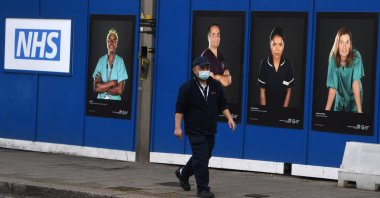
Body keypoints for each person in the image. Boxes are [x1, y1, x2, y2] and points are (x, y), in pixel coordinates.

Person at [174, 56, 236, 198]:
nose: (206, 71)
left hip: (209, 129)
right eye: (203, 68)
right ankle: (203, 189)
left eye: (208, 68)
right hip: (194, 130)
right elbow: (180, 109)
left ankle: (183, 173)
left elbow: (223, 104)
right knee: (201, 157)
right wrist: (177, 127)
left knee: (203, 156)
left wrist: (229, 118)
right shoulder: (187, 88)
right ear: (195, 70)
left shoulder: (215, 85)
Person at [325, 27, 364, 113]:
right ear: (337, 44)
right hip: (341, 99)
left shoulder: (356, 57)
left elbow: (355, 83)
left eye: (347, 42)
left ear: (350, 44)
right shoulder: (333, 59)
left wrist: (360, 112)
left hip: (355, 98)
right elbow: (333, 87)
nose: (344, 46)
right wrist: (326, 113)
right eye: (341, 42)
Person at [257, 27, 294, 108]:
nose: (277, 49)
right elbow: (262, 91)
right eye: (274, 44)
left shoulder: (288, 65)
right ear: (270, 44)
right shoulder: (264, 64)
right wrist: (264, 111)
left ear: (284, 45)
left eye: (280, 44)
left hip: (282, 110)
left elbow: (289, 90)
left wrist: (283, 110)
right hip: (267, 110)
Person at [92, 28, 128, 101]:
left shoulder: (120, 61)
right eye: (109, 39)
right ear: (106, 42)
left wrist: (103, 85)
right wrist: (112, 83)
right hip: (100, 102)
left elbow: (119, 90)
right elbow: (96, 87)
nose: (111, 42)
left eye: (114, 40)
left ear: (116, 43)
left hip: (115, 104)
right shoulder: (101, 60)